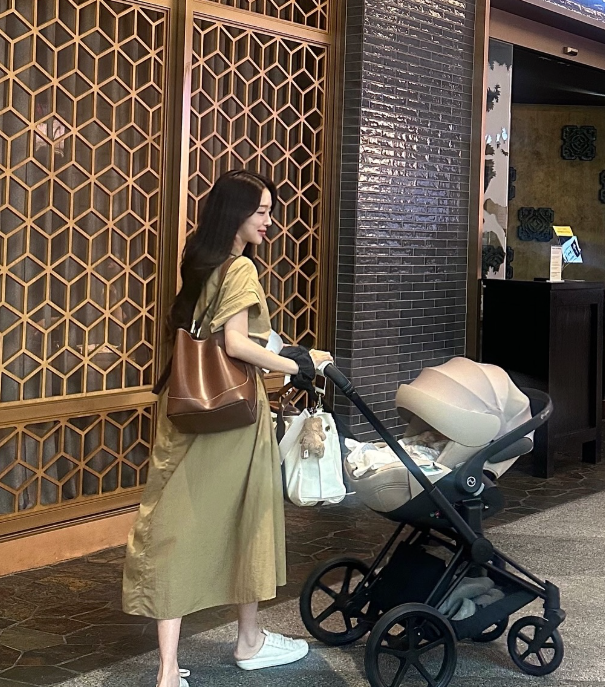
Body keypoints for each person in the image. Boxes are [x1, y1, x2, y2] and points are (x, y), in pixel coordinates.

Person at [122, 170, 333, 687]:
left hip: (187, 409)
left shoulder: (199, 261)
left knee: (172, 526)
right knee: (249, 518)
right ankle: (249, 641)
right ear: (235, 214)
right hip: (234, 414)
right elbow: (237, 345)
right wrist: (300, 365)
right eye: (261, 211)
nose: (269, 222)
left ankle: (168, 669)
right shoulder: (240, 268)